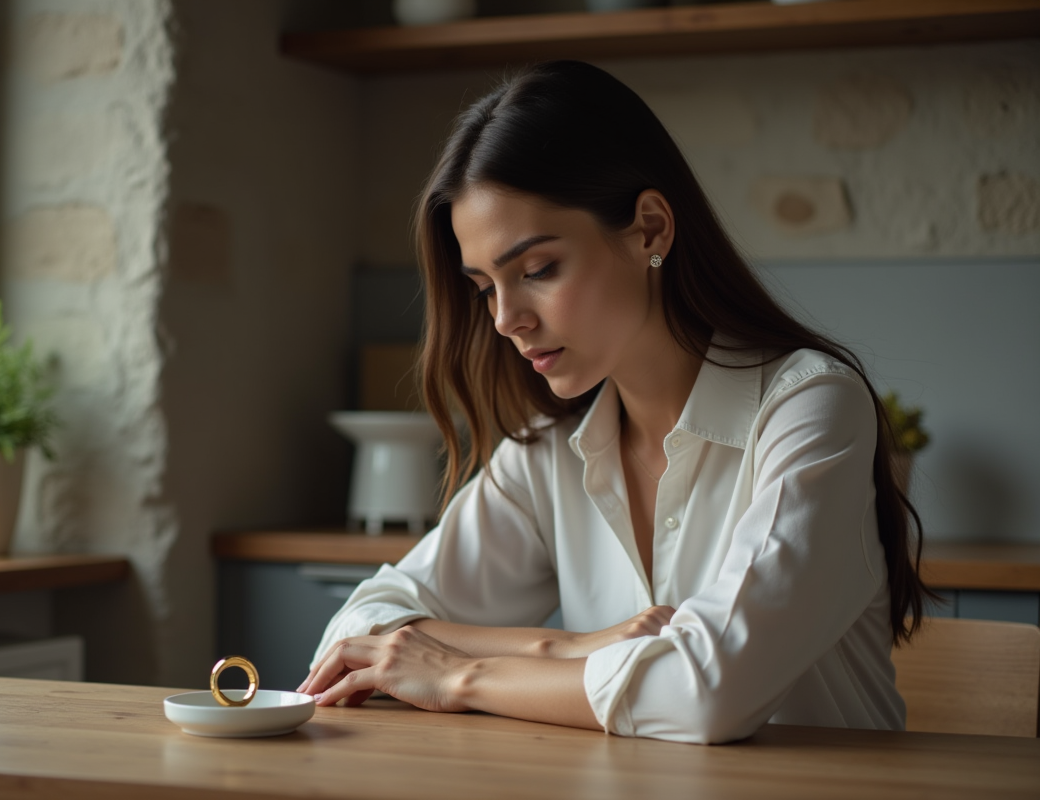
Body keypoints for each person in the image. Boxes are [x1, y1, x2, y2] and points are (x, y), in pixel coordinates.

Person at [298, 60, 930, 744]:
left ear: (651, 229)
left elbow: (705, 690)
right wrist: (564, 647)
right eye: (484, 286)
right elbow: (357, 630)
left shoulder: (808, 407)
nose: (506, 318)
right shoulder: (547, 452)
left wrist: (458, 676)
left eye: (538, 269)